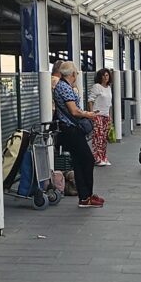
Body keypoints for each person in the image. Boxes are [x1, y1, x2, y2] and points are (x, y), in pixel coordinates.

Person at [52, 64, 105, 208]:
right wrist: (89, 114)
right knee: (87, 160)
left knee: (79, 162)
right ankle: (86, 195)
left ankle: (85, 195)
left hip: (69, 130)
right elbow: (74, 111)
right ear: (73, 74)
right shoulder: (64, 88)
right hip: (71, 129)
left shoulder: (63, 86)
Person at [86, 67, 113, 167]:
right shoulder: (97, 87)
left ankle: (103, 157)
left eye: (107, 75)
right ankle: (97, 157)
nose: (105, 77)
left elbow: (109, 103)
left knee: (104, 137)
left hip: (106, 114)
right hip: (97, 114)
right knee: (98, 136)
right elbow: (90, 100)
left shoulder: (109, 87)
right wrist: (92, 113)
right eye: (103, 75)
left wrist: (110, 117)